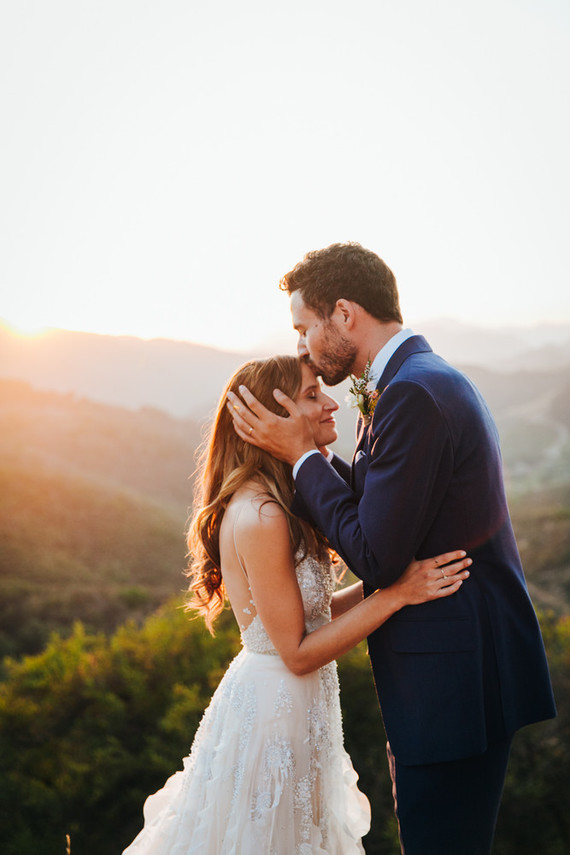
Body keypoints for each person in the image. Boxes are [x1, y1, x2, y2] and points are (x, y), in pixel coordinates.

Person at [228, 243, 557, 855]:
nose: (301, 345)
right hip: (452, 676)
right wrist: (314, 455)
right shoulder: (417, 381)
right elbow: (393, 509)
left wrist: (301, 458)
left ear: (345, 313)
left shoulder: (411, 394)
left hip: (453, 685)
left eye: (304, 327)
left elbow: (376, 554)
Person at [122, 354, 472, 855]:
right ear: (271, 416)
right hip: (272, 717)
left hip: (300, 709)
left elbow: (314, 611)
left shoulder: (279, 501)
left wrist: (395, 587)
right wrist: (398, 595)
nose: (331, 402)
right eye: (312, 395)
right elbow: (298, 651)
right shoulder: (261, 514)